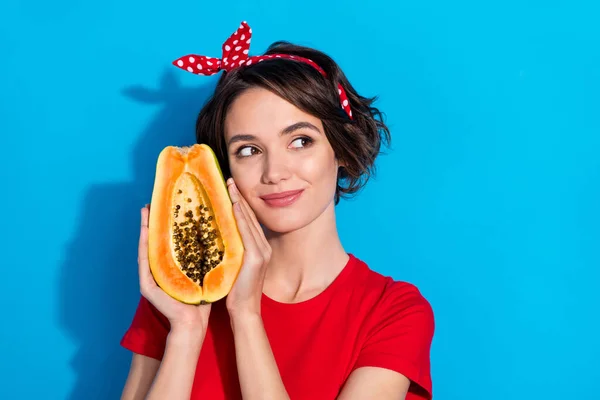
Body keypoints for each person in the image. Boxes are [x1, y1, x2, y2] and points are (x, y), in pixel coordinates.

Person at [120, 21, 435, 400]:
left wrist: (246, 316)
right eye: (248, 150)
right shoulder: (175, 292)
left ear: (342, 150)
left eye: (300, 141)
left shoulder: (394, 312)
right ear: (224, 173)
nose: (275, 173)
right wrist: (187, 330)